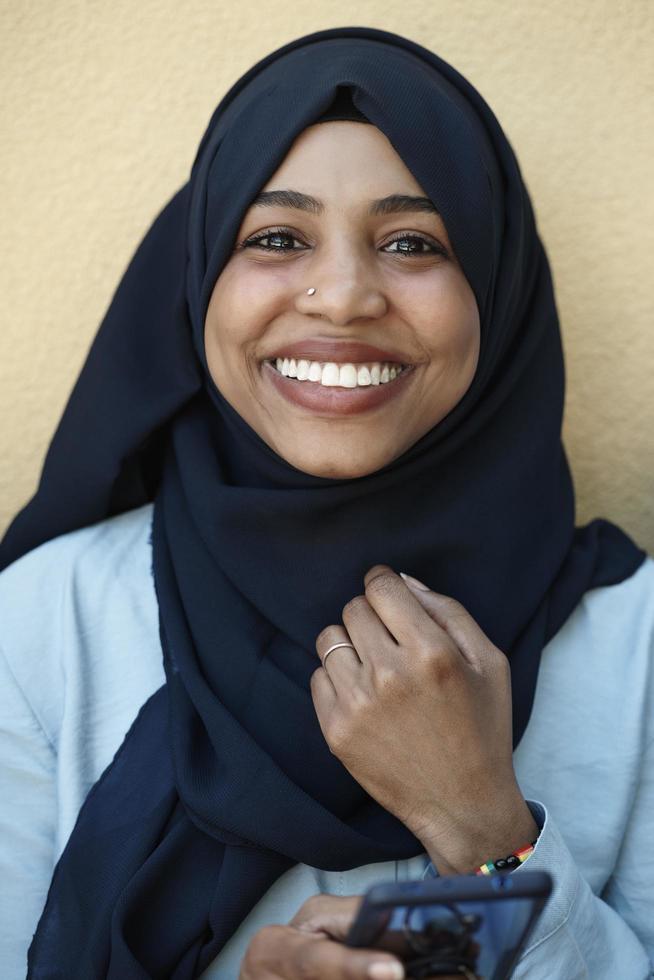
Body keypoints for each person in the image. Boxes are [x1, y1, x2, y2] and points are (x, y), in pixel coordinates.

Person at [0, 24, 652, 980]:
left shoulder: (635, 642)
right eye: (275, 236)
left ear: (498, 289)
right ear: (196, 286)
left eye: (411, 241)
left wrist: (486, 832)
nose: (343, 296)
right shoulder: (45, 624)